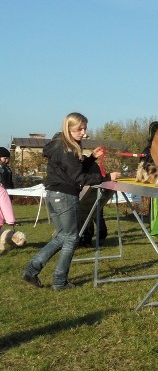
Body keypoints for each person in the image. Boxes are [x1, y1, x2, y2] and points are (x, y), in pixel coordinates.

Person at [21, 113, 121, 290]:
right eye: (79, 129)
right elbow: (79, 177)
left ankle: (31, 271)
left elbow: (72, 169)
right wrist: (105, 176)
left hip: (53, 195)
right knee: (72, 239)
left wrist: (91, 158)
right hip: (65, 196)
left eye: (85, 128)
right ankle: (59, 281)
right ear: (68, 129)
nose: (83, 132)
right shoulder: (67, 149)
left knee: (62, 237)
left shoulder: (62, 146)